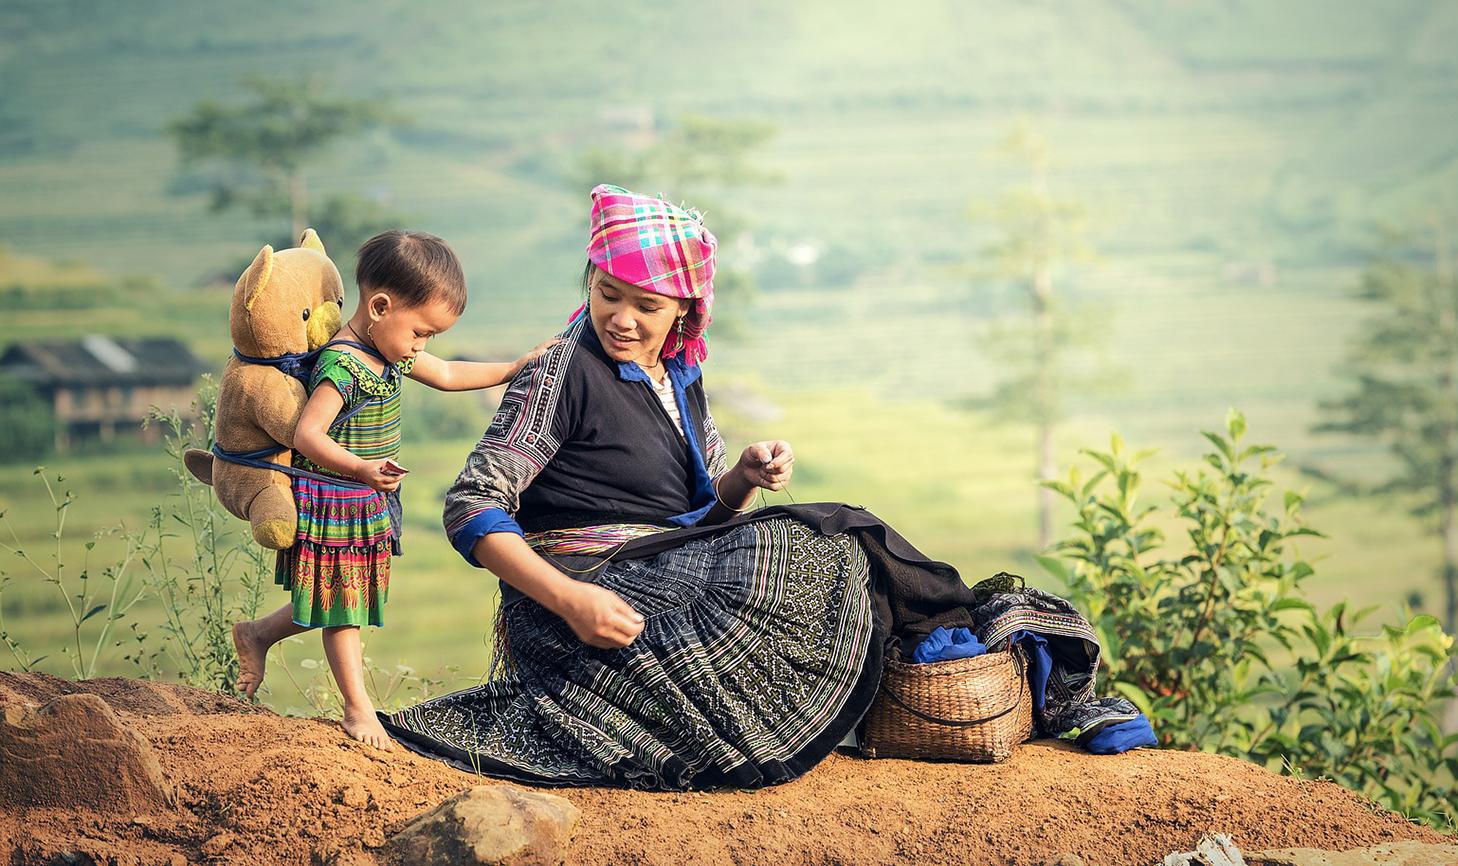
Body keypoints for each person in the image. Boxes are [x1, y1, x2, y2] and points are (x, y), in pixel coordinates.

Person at [379, 185, 979, 789]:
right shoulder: (562, 369)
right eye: (606, 295)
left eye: (646, 306)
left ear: (683, 313)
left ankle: (941, 659)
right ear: (588, 283)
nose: (622, 318)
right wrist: (569, 600)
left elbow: (698, 515)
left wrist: (743, 476)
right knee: (810, 540)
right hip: (586, 593)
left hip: (664, 567)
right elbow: (472, 504)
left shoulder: (683, 376)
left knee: (830, 547)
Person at [231, 230, 554, 749]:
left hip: (366, 499)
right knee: (345, 609)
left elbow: (448, 373)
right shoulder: (344, 365)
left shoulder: (390, 351)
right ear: (381, 306)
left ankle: (258, 633)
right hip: (336, 498)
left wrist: (516, 367)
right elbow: (308, 434)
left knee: (342, 596)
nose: (423, 347)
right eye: (421, 333)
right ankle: (358, 712)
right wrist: (359, 468)